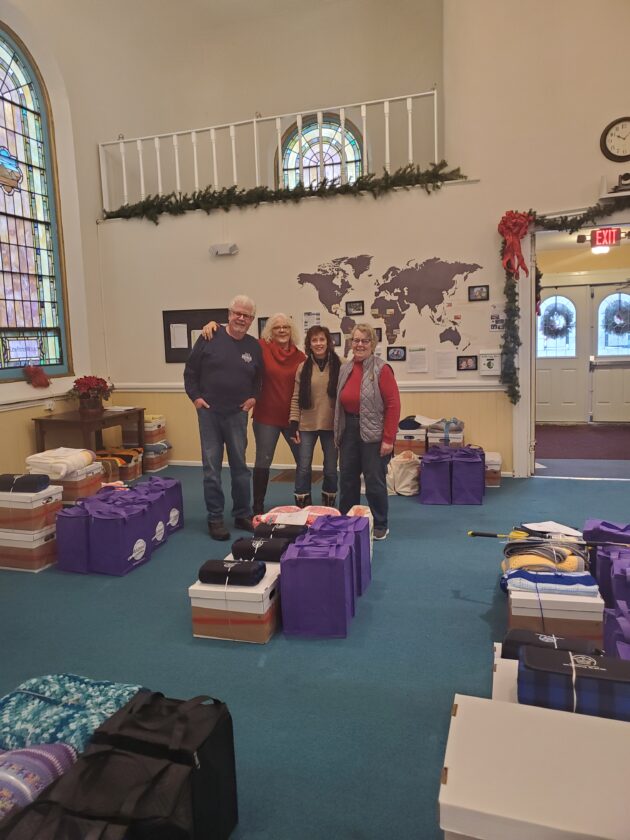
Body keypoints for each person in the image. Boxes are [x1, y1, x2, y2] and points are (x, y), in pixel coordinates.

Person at [202, 312, 305, 514]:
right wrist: (214, 324)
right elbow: (236, 335)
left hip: (293, 418)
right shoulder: (260, 348)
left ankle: (303, 502)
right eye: (277, 327)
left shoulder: (301, 357)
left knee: (303, 460)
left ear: (291, 330)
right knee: (263, 461)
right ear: (270, 331)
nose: (282, 330)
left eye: (285, 327)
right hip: (266, 417)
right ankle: (258, 506)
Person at [184, 295, 263, 541]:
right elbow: (190, 371)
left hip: (237, 414)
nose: (241, 318)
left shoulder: (253, 346)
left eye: (246, 315)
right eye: (237, 313)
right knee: (211, 468)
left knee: (240, 468)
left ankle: (242, 514)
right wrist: (196, 398)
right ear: (229, 314)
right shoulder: (209, 336)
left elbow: (259, 378)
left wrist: (254, 398)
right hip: (209, 414)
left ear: (251, 320)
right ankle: (215, 518)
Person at [334, 323, 401, 540]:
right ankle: (348, 521)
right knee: (347, 480)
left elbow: (393, 405)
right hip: (349, 430)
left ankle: (380, 524)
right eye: (356, 340)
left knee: (374, 480)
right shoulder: (344, 369)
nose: (360, 344)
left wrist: (388, 439)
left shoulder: (382, 369)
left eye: (365, 340)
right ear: (351, 343)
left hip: (374, 433)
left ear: (372, 343)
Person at [289, 325, 341, 508]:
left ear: (328, 342)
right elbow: (296, 397)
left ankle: (328, 505)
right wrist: (293, 424)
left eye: (322, 339)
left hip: (332, 425)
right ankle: (303, 505)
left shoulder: (341, 365)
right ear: (309, 344)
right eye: (314, 340)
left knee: (331, 468)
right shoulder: (302, 368)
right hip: (307, 425)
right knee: (303, 467)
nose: (319, 343)